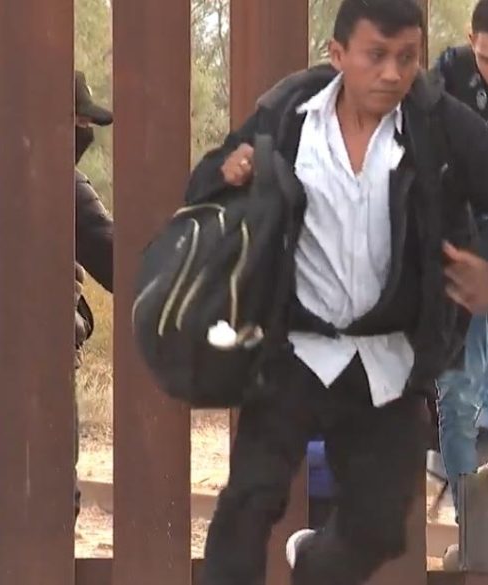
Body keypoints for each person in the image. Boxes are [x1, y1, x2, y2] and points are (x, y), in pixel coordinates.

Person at [186, 0, 488, 583]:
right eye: (377, 56)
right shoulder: (287, 116)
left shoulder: (439, 126)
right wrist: (227, 172)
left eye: (408, 58)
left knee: (379, 528)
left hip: (387, 358)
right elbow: (204, 186)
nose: (393, 73)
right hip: (293, 347)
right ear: (339, 54)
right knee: (248, 503)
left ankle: (313, 565)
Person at [0, 70, 113, 557]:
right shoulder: (65, 184)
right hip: (44, 375)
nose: (85, 134)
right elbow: (120, 266)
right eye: (82, 122)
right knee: (54, 509)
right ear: (60, 121)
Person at [432, 0, 488, 521]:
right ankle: (472, 529)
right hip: (463, 243)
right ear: (473, 43)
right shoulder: (449, 74)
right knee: (457, 389)